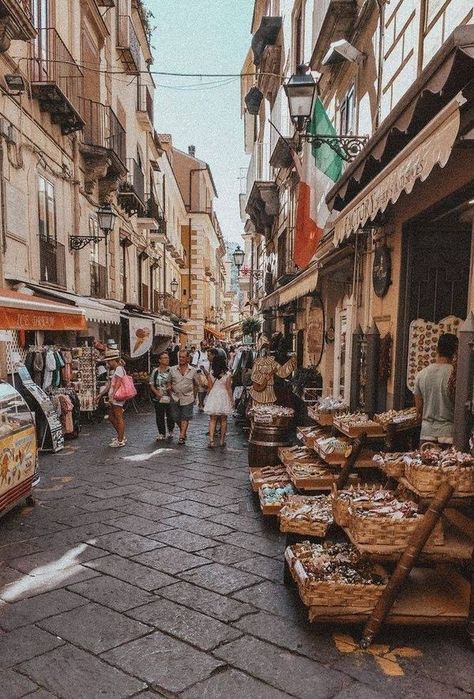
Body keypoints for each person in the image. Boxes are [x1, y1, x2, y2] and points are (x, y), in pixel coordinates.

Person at [414, 332, 459, 445]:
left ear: (437, 349)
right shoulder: (456, 375)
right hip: (448, 434)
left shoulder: (421, 374)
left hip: (426, 434)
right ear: (455, 352)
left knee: (425, 462)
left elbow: (419, 409)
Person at [250, 335, 296, 405]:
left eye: (266, 349)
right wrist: (264, 377)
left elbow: (282, 372)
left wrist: (291, 363)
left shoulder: (272, 363)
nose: (265, 351)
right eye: (263, 349)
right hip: (258, 391)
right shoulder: (257, 363)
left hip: (269, 392)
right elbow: (253, 376)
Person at [167, 349, 199, 445]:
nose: (181, 359)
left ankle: (181, 436)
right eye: (179, 357)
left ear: (188, 359)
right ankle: (183, 431)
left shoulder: (193, 370)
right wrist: (169, 388)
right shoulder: (172, 369)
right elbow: (168, 381)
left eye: (183, 357)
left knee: (185, 417)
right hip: (175, 396)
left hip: (188, 397)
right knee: (175, 417)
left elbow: (196, 384)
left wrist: (194, 396)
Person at [96, 349, 127, 448]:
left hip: (117, 396)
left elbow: (117, 383)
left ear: (114, 360)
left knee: (118, 416)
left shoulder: (118, 369)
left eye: (109, 361)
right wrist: (101, 394)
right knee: (111, 416)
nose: (108, 363)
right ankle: (120, 436)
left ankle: (121, 440)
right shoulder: (116, 370)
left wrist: (112, 395)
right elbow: (110, 384)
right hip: (114, 396)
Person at [203, 354, 233, 448]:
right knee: (224, 420)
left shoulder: (211, 373)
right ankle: (221, 441)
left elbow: (210, 387)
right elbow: (228, 388)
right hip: (223, 396)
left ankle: (211, 440)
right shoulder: (227, 374)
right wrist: (231, 399)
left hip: (214, 395)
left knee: (212, 419)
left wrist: (207, 397)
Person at [149, 351, 175, 441]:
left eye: (167, 358)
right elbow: (152, 384)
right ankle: (161, 433)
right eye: (164, 358)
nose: (167, 359)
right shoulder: (155, 371)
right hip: (159, 396)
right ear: (160, 360)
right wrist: (157, 393)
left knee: (170, 415)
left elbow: (175, 382)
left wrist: (171, 387)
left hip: (169, 396)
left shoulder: (172, 370)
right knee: (159, 415)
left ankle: (170, 430)